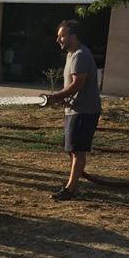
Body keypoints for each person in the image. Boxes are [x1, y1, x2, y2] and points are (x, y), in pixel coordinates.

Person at [43, 20, 102, 201]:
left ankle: (71, 189)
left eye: (62, 35)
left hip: (84, 110)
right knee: (72, 149)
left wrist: (56, 97)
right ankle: (73, 184)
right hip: (74, 110)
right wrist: (63, 101)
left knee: (77, 150)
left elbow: (78, 84)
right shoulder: (71, 55)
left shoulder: (80, 55)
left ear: (73, 36)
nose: (58, 39)